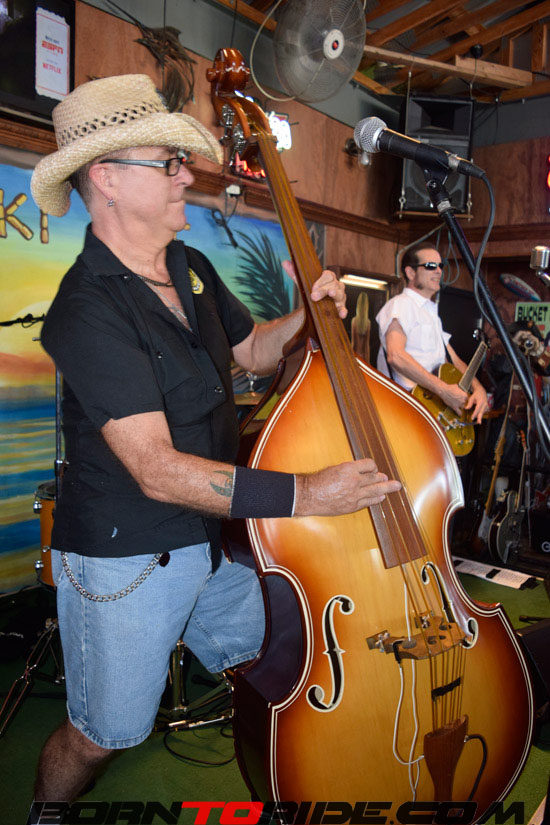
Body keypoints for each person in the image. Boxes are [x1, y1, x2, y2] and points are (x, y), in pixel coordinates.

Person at [28, 74, 401, 820]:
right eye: (168, 162)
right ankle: (46, 813)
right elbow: (157, 471)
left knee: (289, 650)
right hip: (127, 559)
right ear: (106, 179)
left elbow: (254, 351)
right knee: (105, 734)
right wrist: (308, 493)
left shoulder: (189, 268)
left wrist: (306, 315)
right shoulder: (86, 308)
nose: (186, 174)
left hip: (208, 543)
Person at [376, 242, 488, 424]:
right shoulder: (401, 304)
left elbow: (453, 359)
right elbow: (396, 356)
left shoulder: (431, 312)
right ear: (410, 273)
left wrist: (478, 388)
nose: (438, 271)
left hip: (429, 409)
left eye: (440, 265)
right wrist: (443, 390)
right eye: (430, 266)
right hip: (404, 409)